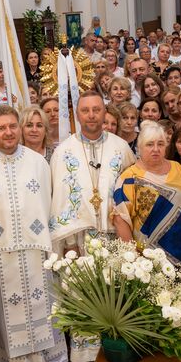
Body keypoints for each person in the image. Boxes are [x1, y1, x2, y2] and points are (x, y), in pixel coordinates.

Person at [0, 107, 70, 362]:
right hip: (1, 253)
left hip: (38, 250)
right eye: (1, 128)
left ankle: (49, 360)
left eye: (12, 126)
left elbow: (50, 203)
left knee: (43, 306)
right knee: (10, 313)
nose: (8, 132)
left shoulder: (37, 162)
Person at [50, 91, 136, 253]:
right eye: (85, 110)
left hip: (118, 238)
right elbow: (60, 202)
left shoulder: (121, 147)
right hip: (79, 241)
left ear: (104, 112)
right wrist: (70, 244)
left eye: (96, 110)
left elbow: (131, 194)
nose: (91, 115)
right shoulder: (62, 152)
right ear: (76, 114)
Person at [112, 121, 181, 271]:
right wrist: (133, 260)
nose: (156, 149)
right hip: (146, 263)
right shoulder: (129, 177)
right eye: (149, 144)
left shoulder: (177, 168)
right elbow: (120, 219)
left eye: (160, 144)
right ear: (139, 148)